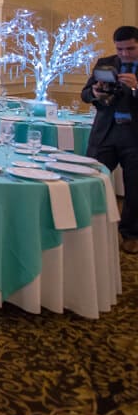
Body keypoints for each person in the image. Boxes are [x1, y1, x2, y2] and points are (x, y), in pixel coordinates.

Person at [81, 25, 138, 253]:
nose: (124, 54)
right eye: (120, 49)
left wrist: (136, 87)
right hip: (105, 133)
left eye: (130, 49)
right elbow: (85, 94)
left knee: (135, 188)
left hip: (134, 135)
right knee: (90, 180)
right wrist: (96, 93)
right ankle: (90, 229)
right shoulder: (105, 63)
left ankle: (131, 234)